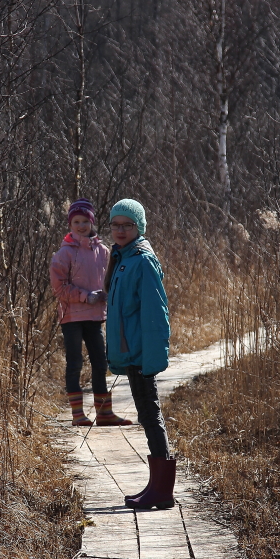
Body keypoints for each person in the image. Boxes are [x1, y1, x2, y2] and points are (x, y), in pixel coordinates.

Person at [104, 198, 176, 509]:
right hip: (132, 351)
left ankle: (162, 491)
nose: (120, 230)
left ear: (140, 227)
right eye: (115, 225)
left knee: (150, 416)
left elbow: (156, 313)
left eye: (127, 225)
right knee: (148, 416)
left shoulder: (142, 260)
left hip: (141, 353)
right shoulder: (123, 257)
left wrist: (152, 359)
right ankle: (157, 486)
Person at [50, 198, 132, 428]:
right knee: (75, 363)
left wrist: (107, 293)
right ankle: (78, 415)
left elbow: (111, 281)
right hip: (72, 317)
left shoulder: (103, 251)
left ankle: (104, 413)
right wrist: (86, 296)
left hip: (95, 317)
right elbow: (59, 288)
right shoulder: (64, 253)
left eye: (85, 221)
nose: (81, 226)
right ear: (70, 224)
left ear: (92, 222)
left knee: (100, 363)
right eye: (76, 222)